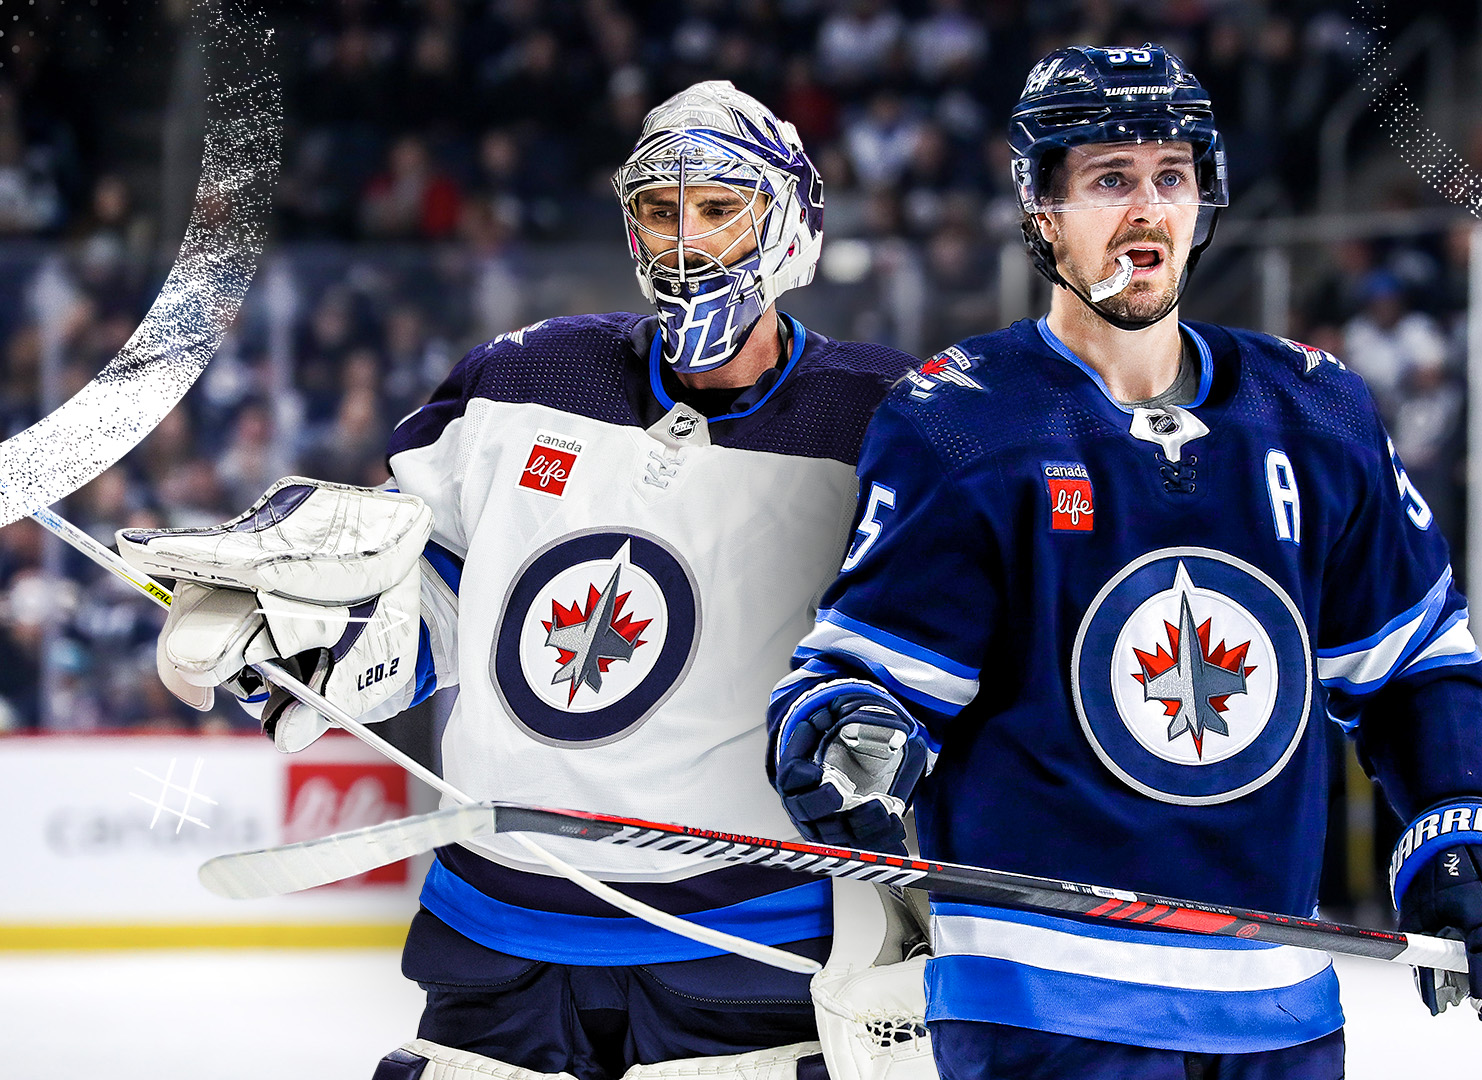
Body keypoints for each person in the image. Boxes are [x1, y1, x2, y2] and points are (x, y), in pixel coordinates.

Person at [768, 44, 1482, 1079]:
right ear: (1043, 208)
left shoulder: (1316, 411)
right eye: (1110, 180)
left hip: (1276, 1011)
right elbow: (869, 679)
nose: (1147, 211)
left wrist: (1461, 828)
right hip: (1039, 1009)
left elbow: (1412, 661)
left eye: (1172, 178)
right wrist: (851, 735)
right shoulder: (963, 421)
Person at [117, 82, 919, 1080]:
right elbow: (441, 604)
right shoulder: (523, 379)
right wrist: (311, 651)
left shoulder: (884, 415)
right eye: (660, 211)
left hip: (749, 943)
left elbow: (925, 643)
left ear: (791, 220)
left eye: (719, 208)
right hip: (498, 928)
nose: (685, 240)